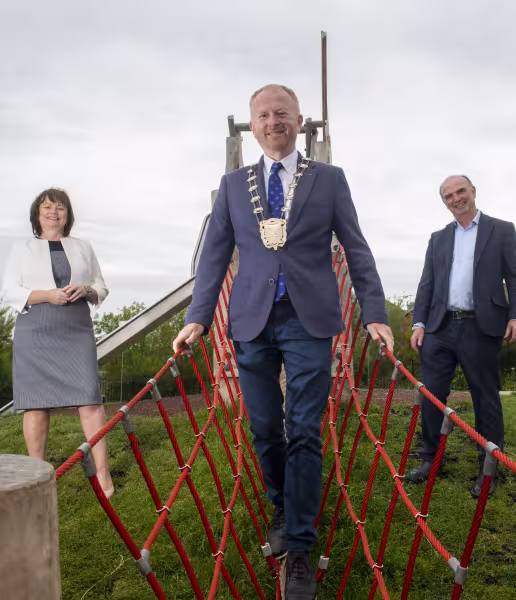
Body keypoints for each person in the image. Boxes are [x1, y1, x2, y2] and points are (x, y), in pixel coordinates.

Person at [173, 84, 392, 599]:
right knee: (266, 429)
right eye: (264, 115)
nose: (274, 122)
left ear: (299, 120)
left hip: (309, 318)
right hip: (250, 319)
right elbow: (213, 258)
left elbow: (357, 249)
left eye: (283, 113)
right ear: (253, 124)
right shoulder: (233, 185)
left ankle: (299, 548)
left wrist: (375, 312)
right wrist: (197, 317)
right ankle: (280, 503)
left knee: (305, 431)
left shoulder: (329, 180)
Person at [407, 175, 516, 497]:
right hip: (440, 327)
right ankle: (431, 460)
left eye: (460, 191)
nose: (456, 198)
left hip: (481, 326)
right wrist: (419, 324)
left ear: (473, 191)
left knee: (484, 399)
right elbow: (426, 285)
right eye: (448, 196)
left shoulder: (501, 230)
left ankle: (489, 470)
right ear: (444, 202)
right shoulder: (438, 238)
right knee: (431, 397)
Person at [1, 188, 113, 498]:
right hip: (35, 329)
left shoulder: (82, 246)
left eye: (60, 207)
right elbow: (8, 290)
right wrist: (47, 295)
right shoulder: (22, 248)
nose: (54, 212)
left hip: (75, 327)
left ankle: (103, 476)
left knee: (90, 400)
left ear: (68, 214)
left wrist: (86, 290)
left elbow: (101, 287)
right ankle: (38, 479)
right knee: (36, 404)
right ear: (37, 214)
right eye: (47, 207)